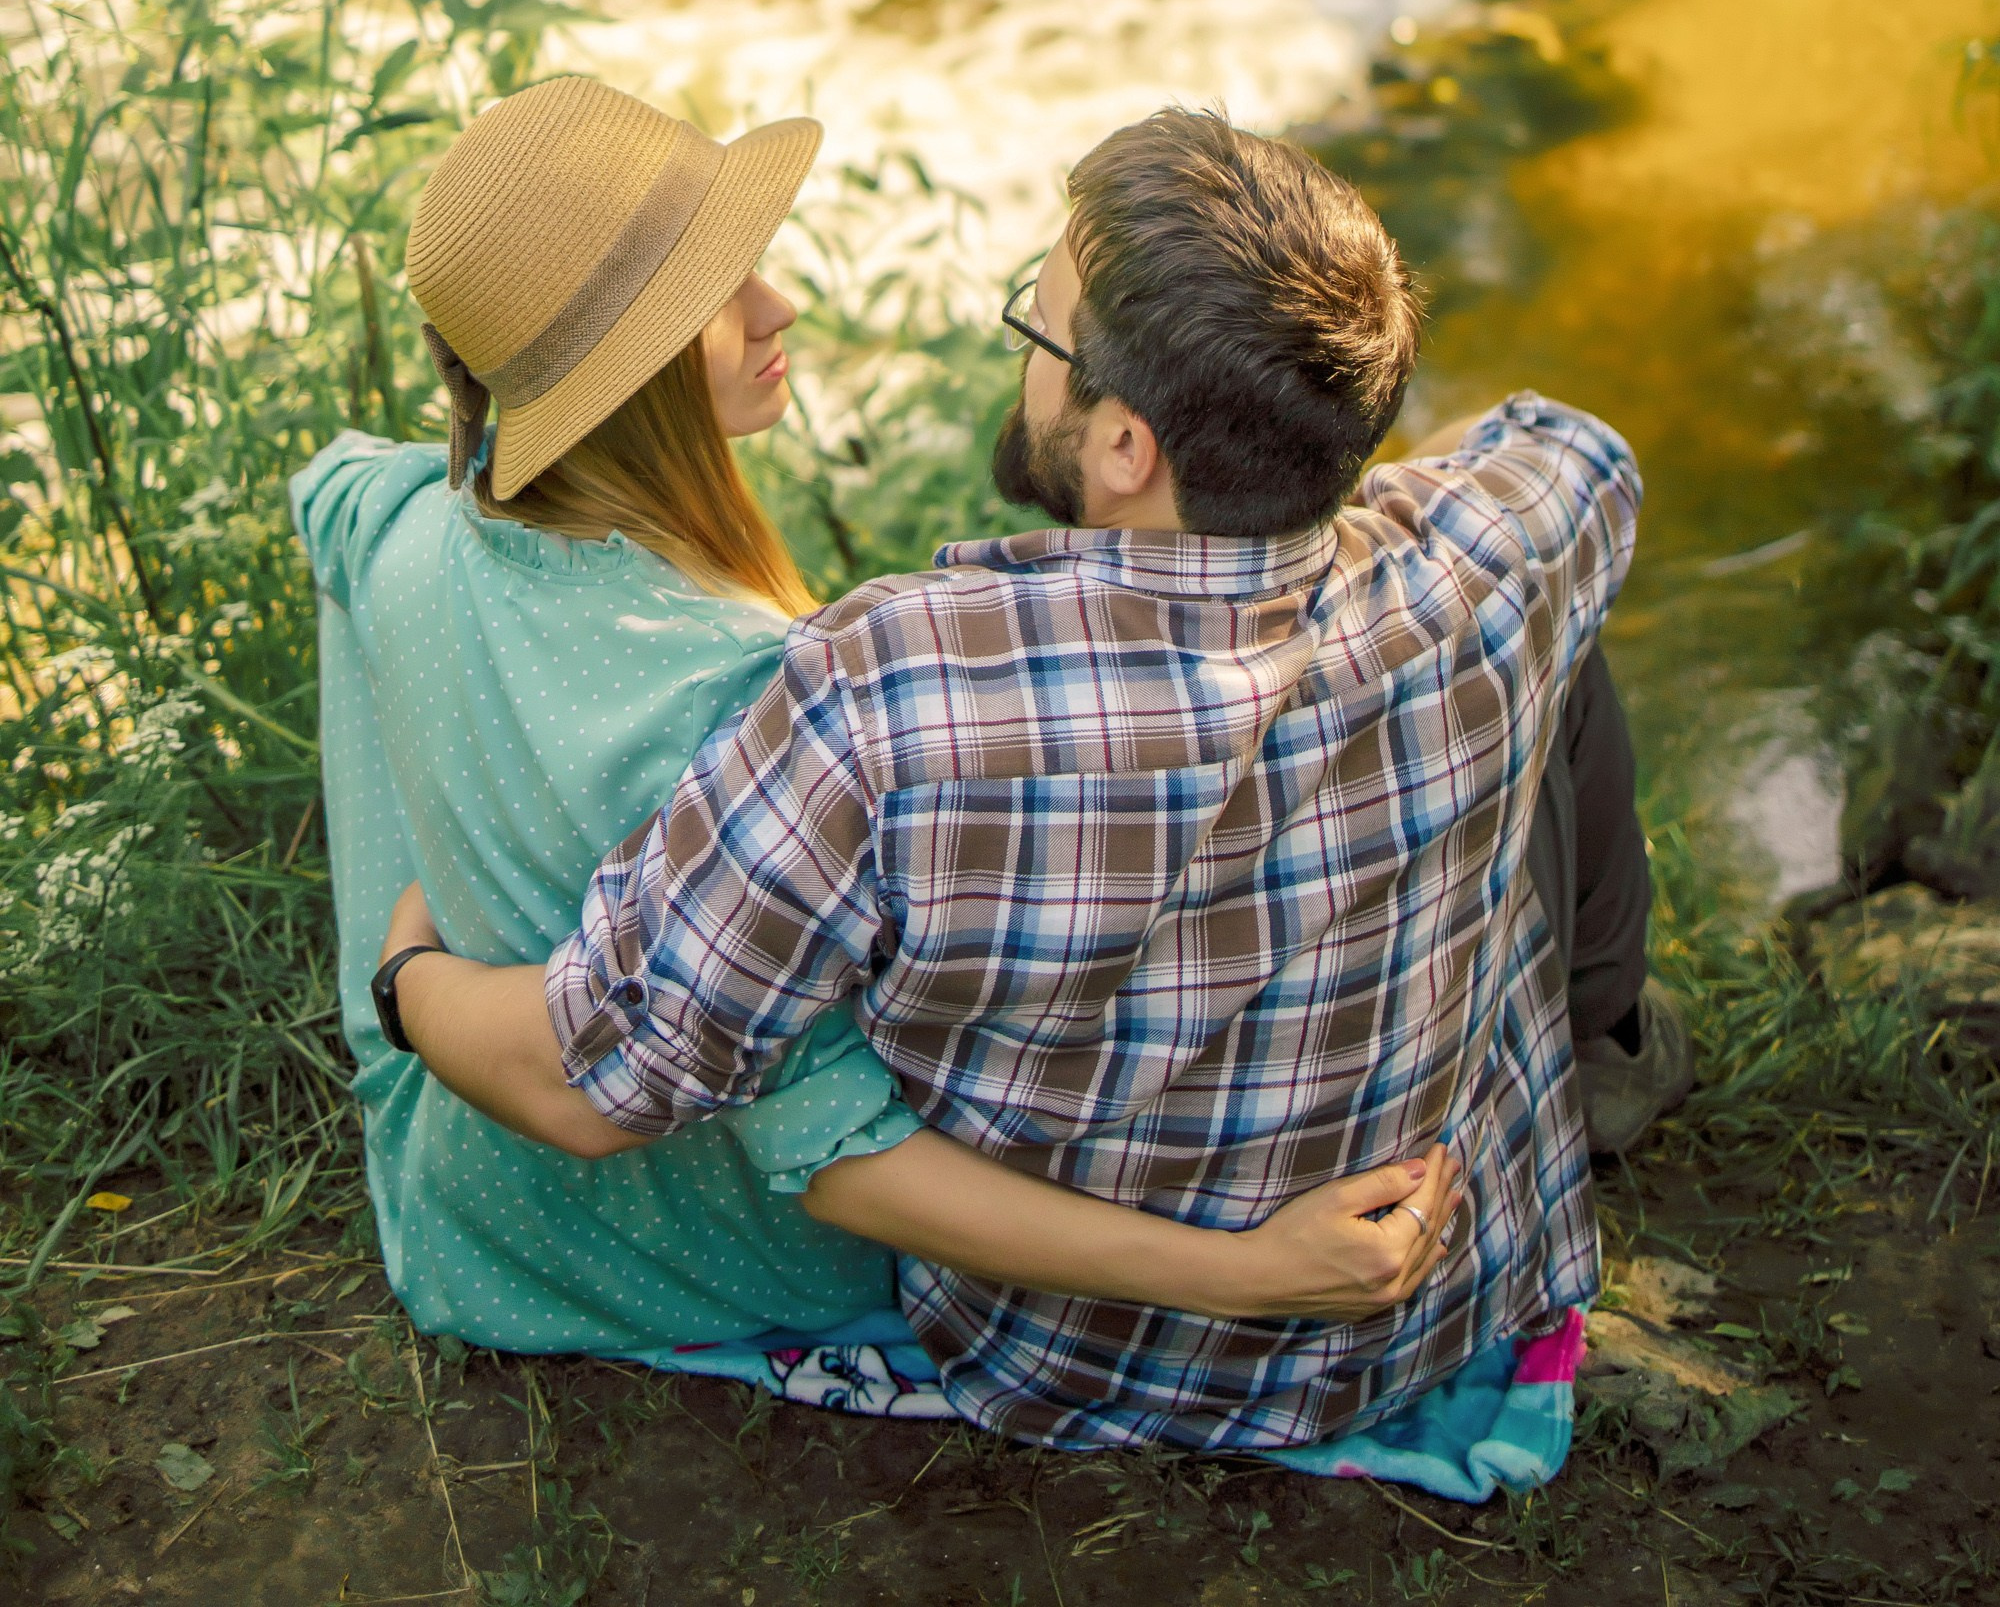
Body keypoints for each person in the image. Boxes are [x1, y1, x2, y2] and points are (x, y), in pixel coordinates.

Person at [389, 97, 1691, 1452]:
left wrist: (405, 985)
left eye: (1041, 328)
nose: (1023, 344)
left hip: (1075, 1359)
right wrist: (1332, 487)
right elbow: (1579, 451)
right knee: (1544, 665)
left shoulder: (889, 698)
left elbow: (603, 1078)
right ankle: (1615, 1036)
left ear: (1127, 445)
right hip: (1430, 1303)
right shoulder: (1482, 561)